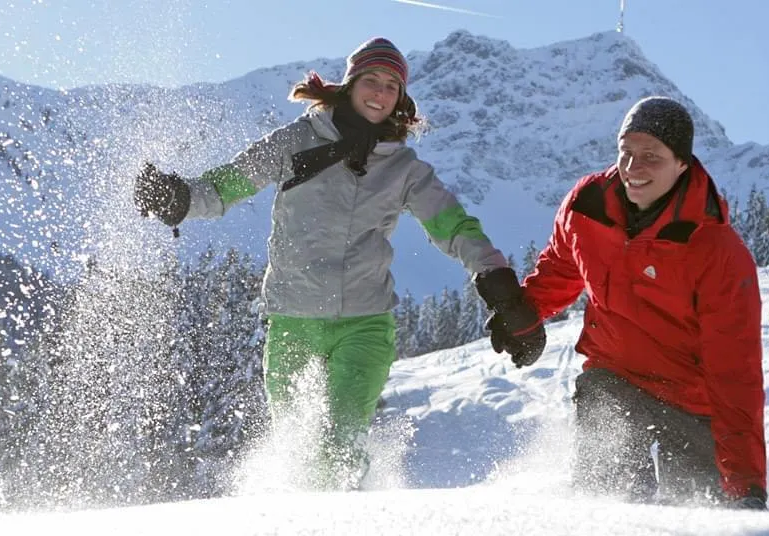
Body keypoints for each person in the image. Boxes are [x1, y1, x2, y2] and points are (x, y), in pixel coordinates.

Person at [132, 37, 546, 490]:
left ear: (400, 99)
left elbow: (454, 226)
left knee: (339, 447)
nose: (380, 92)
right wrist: (183, 198)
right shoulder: (296, 140)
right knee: (296, 446)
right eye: (372, 80)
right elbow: (231, 182)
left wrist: (501, 287)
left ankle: (347, 515)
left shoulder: (405, 168)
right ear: (350, 85)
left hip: (365, 324)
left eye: (391, 86)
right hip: (293, 319)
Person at [520, 97, 768, 509]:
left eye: (652, 156)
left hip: (693, 403)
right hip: (614, 378)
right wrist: (526, 312)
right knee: (609, 498)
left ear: (682, 164)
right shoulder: (587, 205)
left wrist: (746, 483)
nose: (634, 168)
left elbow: (735, 371)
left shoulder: (716, 250)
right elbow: (563, 263)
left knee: (698, 508)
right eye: (627, 153)